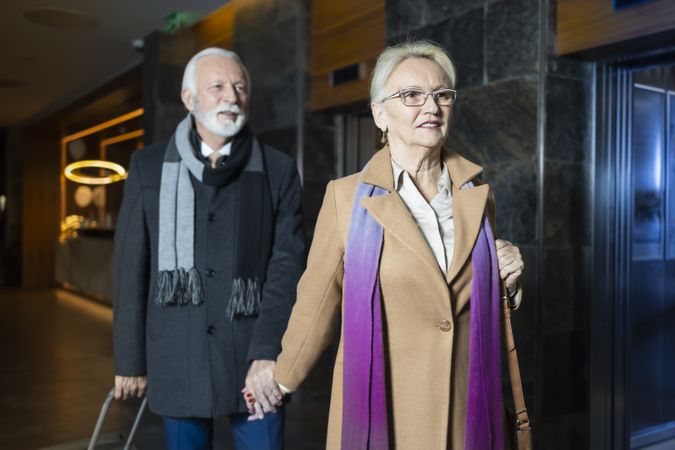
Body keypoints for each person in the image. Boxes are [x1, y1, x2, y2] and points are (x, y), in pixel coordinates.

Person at [266, 41, 524, 449]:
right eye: (411, 96)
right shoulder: (346, 198)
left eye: (442, 95)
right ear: (379, 114)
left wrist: (506, 278)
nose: (431, 107)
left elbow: (476, 301)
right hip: (385, 410)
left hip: (467, 408)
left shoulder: (476, 194)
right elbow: (317, 300)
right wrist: (281, 378)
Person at [112, 47, 305, 450]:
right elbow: (131, 269)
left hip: (256, 360)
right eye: (217, 86)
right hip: (178, 357)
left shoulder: (280, 170)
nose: (231, 97)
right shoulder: (147, 168)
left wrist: (269, 353)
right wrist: (130, 362)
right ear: (189, 98)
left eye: (240, 87)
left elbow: (286, 271)